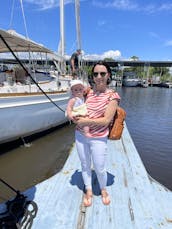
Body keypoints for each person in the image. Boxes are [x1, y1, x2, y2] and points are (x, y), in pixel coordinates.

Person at [73, 61, 120, 207]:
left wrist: (85, 121)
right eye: (95, 74)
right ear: (92, 76)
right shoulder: (87, 92)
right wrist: (74, 115)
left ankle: (103, 189)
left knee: (99, 167)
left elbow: (106, 121)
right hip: (80, 136)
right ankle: (88, 190)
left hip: (99, 138)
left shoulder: (113, 96)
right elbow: (75, 104)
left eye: (102, 73)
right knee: (85, 164)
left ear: (108, 76)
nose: (99, 76)